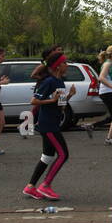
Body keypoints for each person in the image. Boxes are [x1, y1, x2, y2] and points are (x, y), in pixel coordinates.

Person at [23, 53, 71, 201]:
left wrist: (69, 97)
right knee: (63, 155)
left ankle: (30, 187)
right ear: (57, 66)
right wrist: (52, 100)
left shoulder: (60, 81)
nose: (67, 65)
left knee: (48, 156)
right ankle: (45, 186)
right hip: (48, 124)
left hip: (54, 122)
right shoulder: (49, 81)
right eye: (65, 63)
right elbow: (34, 101)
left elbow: (61, 105)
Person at [88, 45, 112, 143]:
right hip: (106, 92)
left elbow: (110, 77)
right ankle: (109, 138)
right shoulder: (108, 64)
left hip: (108, 92)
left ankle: (93, 127)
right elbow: (101, 78)